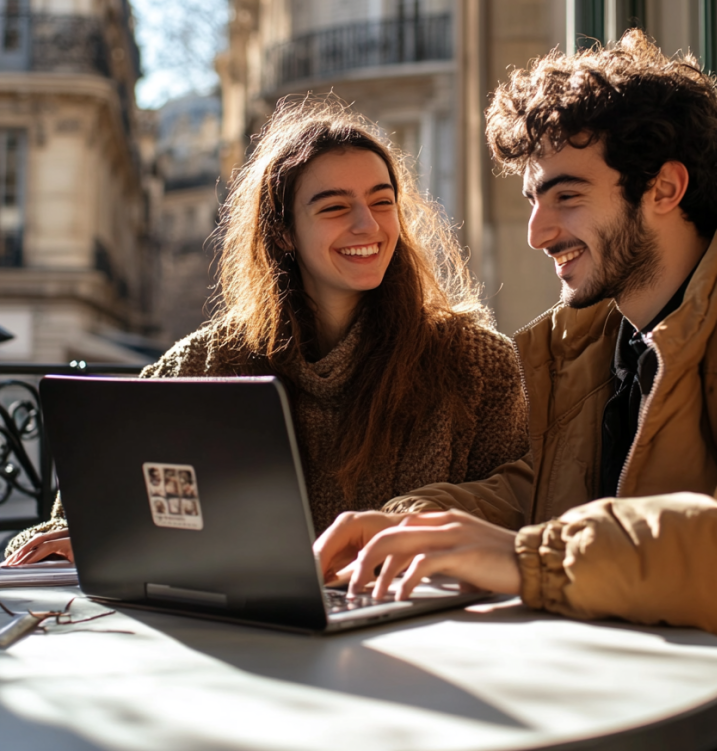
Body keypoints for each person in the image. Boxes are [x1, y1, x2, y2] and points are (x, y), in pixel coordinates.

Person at [315, 32, 717, 748]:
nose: (537, 231)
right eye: (531, 200)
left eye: (566, 196)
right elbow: (538, 491)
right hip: (659, 661)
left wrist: (529, 560)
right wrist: (405, 524)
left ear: (664, 188)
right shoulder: (584, 341)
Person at [3, 98, 531, 566]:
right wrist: (84, 533)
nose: (368, 226)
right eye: (334, 208)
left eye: (382, 200)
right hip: (242, 638)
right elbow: (79, 513)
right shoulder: (206, 363)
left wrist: (412, 524)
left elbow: (521, 506)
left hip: (420, 637)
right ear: (281, 233)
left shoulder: (475, 362)